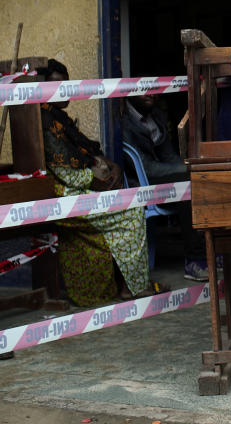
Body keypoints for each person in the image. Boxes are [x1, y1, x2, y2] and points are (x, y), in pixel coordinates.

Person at [39, 60, 167, 306]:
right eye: (56, 85)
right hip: (63, 197)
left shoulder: (59, 120)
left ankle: (126, 284)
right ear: (42, 89)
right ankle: (133, 288)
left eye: (67, 84)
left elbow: (86, 151)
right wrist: (100, 182)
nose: (64, 90)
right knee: (130, 213)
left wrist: (111, 167)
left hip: (78, 190)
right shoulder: (46, 125)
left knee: (123, 197)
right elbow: (70, 176)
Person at [122, 93, 231, 281]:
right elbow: (146, 167)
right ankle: (194, 261)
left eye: (154, 90)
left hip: (164, 175)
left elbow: (169, 156)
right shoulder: (124, 122)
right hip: (143, 182)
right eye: (144, 90)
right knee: (186, 189)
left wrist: (188, 169)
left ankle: (217, 252)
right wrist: (186, 170)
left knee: (204, 183)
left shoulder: (155, 116)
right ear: (130, 93)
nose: (151, 95)